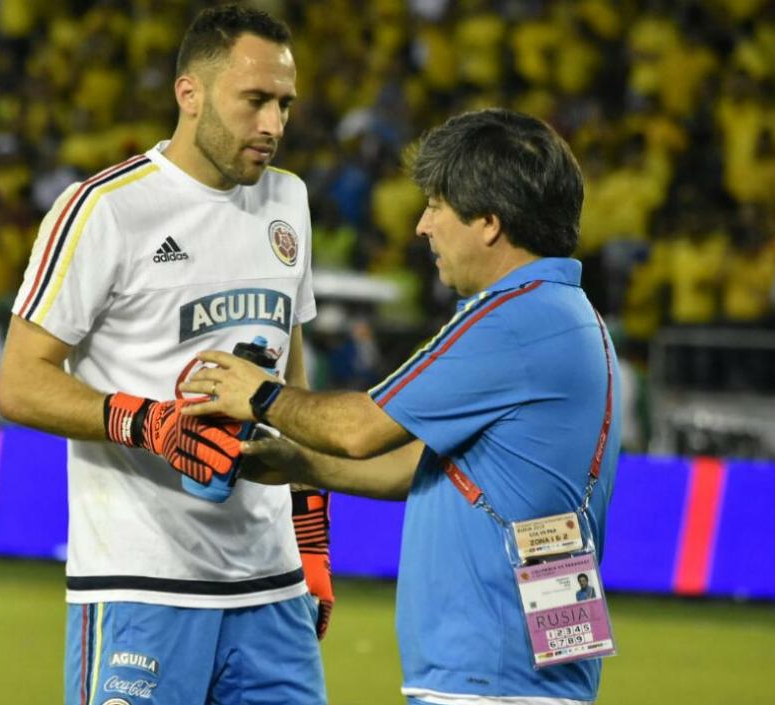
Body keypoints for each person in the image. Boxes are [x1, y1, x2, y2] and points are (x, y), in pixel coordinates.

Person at [182, 108, 619, 705]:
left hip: (489, 678)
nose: (422, 226)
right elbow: (415, 466)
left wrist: (260, 394)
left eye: (437, 206)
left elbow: (362, 428)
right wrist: (299, 464)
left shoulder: (513, 318)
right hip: (519, 668)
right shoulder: (567, 313)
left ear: (489, 223)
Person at [0, 5, 329, 704]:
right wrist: (150, 424)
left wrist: (312, 540)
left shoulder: (289, 200)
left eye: (285, 105)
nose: (273, 124)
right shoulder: (104, 209)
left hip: (272, 589)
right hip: (143, 583)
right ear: (190, 93)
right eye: (255, 100)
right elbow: (20, 382)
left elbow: (290, 383)